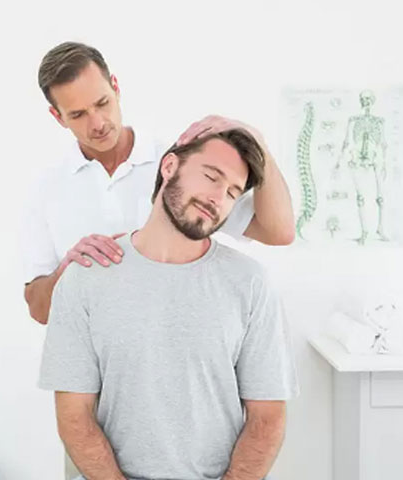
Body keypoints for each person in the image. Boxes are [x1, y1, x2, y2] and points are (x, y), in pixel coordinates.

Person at [38, 127, 300, 480]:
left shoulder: (251, 284)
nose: (217, 197)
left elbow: (267, 418)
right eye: (211, 176)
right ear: (169, 166)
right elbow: (74, 416)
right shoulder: (86, 278)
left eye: (232, 192)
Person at [21, 42, 296, 327]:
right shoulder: (46, 189)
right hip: (90, 361)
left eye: (102, 103)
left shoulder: (177, 164)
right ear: (58, 117)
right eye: (78, 114)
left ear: (115, 87)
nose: (98, 123)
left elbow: (279, 232)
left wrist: (257, 141)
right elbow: (39, 310)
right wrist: (66, 272)